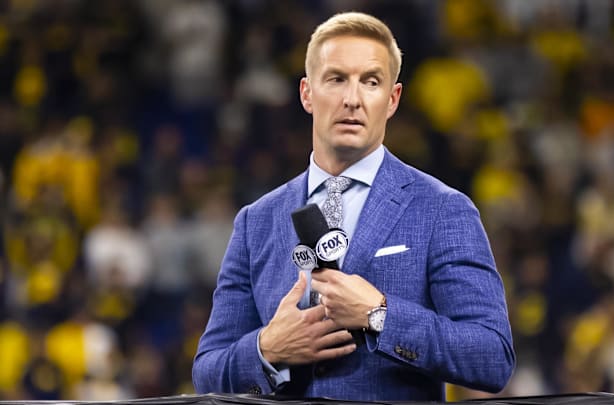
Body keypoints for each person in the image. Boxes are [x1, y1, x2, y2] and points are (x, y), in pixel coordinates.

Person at [192, 11, 515, 401]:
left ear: (392, 99)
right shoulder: (256, 221)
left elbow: (491, 356)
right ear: (307, 93)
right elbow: (207, 374)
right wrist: (267, 348)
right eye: (336, 79)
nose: (352, 99)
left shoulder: (443, 210)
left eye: (371, 82)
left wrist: (379, 314)